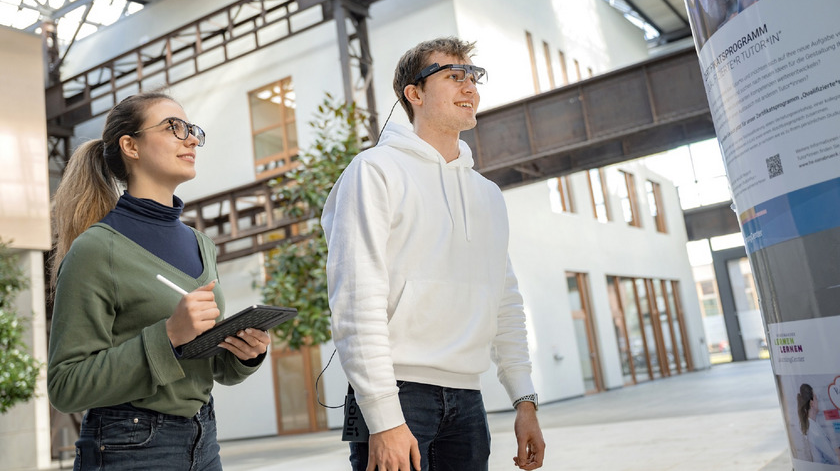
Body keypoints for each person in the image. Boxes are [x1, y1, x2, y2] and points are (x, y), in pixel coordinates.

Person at [322, 37, 545, 471]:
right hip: (398, 394)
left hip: (467, 397)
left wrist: (524, 399)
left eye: (473, 77)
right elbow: (356, 299)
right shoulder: (374, 171)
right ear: (415, 93)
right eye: (453, 76)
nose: (470, 88)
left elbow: (505, 300)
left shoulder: (488, 195)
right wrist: (384, 417)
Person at [47, 90, 271, 470]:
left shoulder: (202, 244)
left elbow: (208, 366)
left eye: (192, 129)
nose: (191, 138)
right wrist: (167, 335)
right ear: (130, 146)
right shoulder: (95, 250)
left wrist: (245, 353)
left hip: (204, 439)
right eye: (173, 127)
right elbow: (66, 385)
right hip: (129, 446)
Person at [797, 383, 840, 465]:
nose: (818, 401)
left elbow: (828, 452)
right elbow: (834, 460)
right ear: (812, 403)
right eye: (816, 398)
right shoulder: (815, 432)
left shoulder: (811, 426)